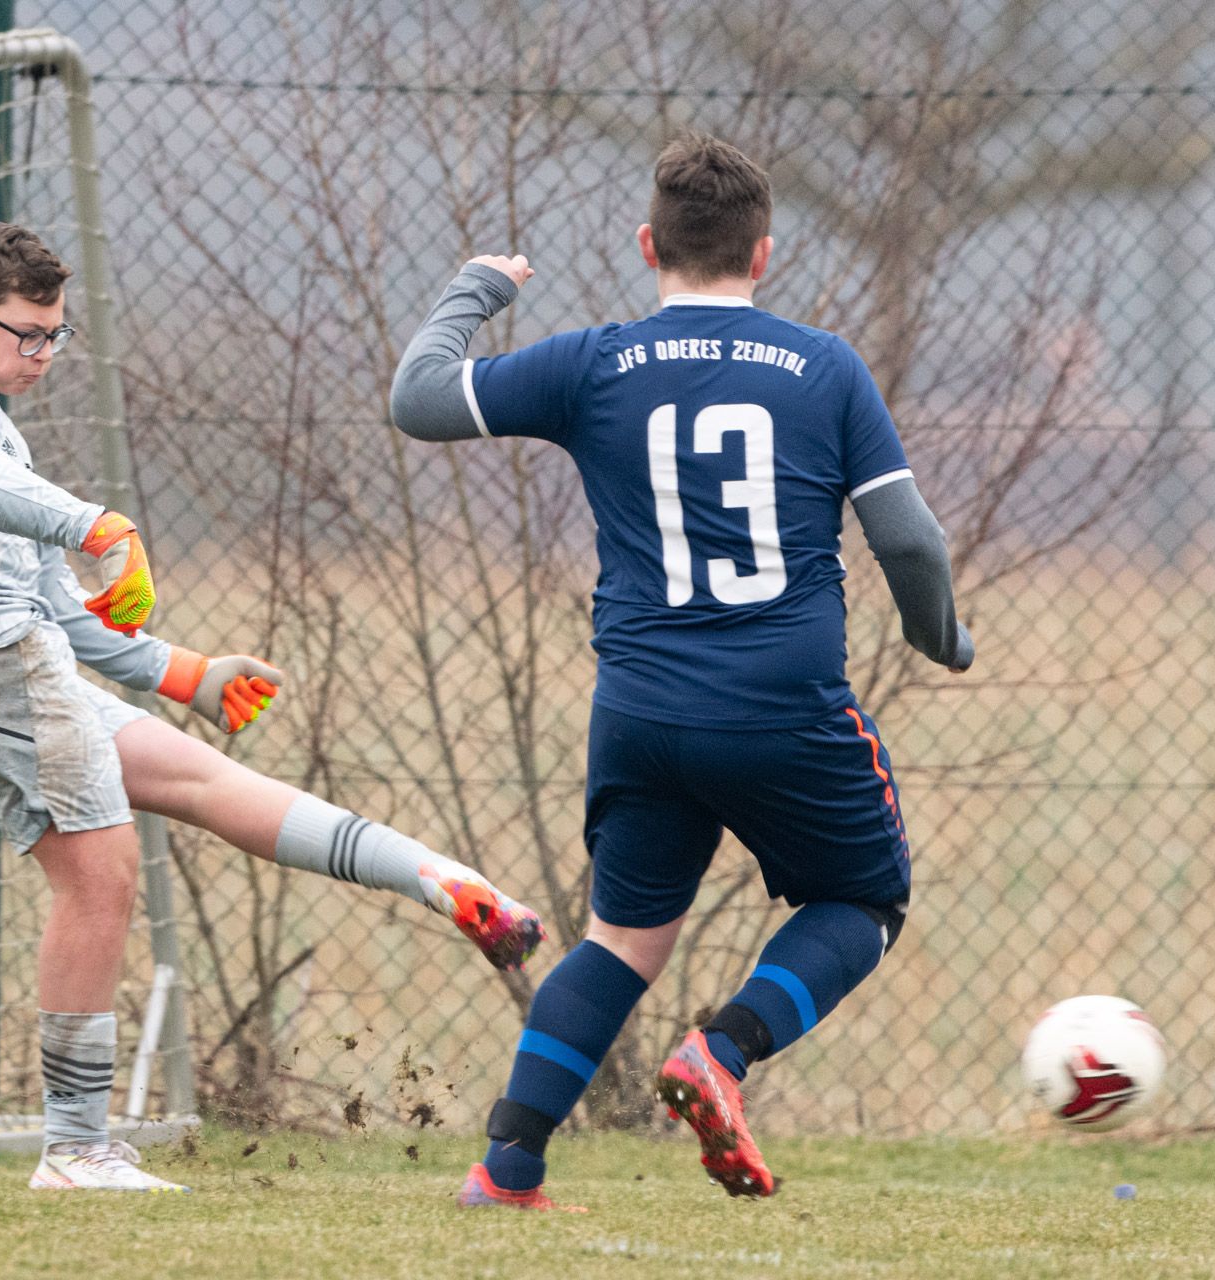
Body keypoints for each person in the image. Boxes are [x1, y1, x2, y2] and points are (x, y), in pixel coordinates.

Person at [0, 222, 544, 1194]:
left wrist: (188, 674)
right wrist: (98, 524)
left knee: (207, 782)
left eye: (56, 335)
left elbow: (57, 608)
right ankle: (75, 1148)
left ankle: (442, 880)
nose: (44, 353)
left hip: (16, 651)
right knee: (101, 872)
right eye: (26, 334)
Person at [389, 134, 973, 1210]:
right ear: (764, 254)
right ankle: (723, 1051)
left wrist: (477, 289)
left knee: (622, 939)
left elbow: (419, 398)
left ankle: (506, 1166)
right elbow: (908, 539)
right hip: (782, 708)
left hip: (643, 712)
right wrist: (940, 635)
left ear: (648, 245)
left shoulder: (591, 364)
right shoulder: (825, 366)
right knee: (864, 897)